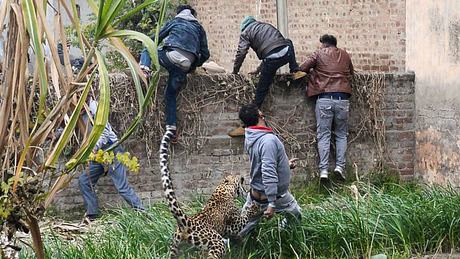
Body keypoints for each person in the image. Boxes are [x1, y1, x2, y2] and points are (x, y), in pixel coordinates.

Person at [139, 4, 210, 142]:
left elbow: (154, 40)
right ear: (193, 15)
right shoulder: (199, 28)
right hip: (186, 65)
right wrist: (194, 65)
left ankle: (144, 71)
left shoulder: (175, 22)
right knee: (170, 94)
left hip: (172, 56)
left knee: (147, 48)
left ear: (178, 13)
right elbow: (205, 54)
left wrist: (143, 41)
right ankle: (171, 129)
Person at [229, 16, 306, 137]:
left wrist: (235, 71)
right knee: (288, 41)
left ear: (243, 27)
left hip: (271, 60)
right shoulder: (265, 26)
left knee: (261, 91)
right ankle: (295, 70)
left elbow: (242, 52)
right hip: (286, 53)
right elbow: (273, 48)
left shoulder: (246, 32)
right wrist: (258, 70)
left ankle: (246, 126)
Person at [237, 104, 301, 237]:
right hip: (274, 196)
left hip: (255, 195)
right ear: (260, 115)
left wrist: (284, 166)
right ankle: (284, 235)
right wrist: (272, 202)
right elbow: (268, 171)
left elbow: (262, 164)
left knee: (238, 230)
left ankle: (223, 248)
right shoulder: (268, 141)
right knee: (295, 216)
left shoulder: (251, 136)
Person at [78, 98, 144, 221]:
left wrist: (93, 148)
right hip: (98, 154)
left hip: (111, 149)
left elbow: (105, 132)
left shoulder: (95, 107)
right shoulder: (77, 111)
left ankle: (143, 213)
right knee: (84, 181)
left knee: (121, 187)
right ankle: (92, 215)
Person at [298, 34, 354, 180]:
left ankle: (324, 171)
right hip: (343, 99)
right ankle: (339, 167)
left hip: (324, 99)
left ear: (324, 44)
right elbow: (351, 73)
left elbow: (302, 68)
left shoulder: (319, 53)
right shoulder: (345, 55)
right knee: (341, 135)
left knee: (324, 135)